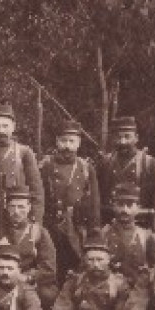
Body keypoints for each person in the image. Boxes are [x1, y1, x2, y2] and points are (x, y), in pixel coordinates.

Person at [48, 236, 130, 310]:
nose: (95, 264)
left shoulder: (120, 285)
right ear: (84, 261)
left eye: (100, 260)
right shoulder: (74, 281)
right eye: (91, 260)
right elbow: (63, 308)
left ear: (108, 260)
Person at [40, 119, 101, 278]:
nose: (67, 145)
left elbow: (94, 204)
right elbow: (39, 198)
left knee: (77, 268)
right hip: (52, 227)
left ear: (78, 143)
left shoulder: (86, 168)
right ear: (57, 142)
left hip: (77, 229)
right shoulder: (46, 166)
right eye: (63, 141)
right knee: (53, 268)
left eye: (71, 141)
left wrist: (94, 232)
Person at [97, 115, 155, 230]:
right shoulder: (105, 164)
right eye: (118, 137)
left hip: (142, 227)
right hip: (110, 228)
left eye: (127, 137)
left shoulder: (150, 165)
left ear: (136, 138)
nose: (122, 142)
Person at [0, 103, 46, 227]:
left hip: (16, 218)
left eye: (5, 126)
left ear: (13, 127)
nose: (1, 131)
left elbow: (36, 192)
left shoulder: (24, 153)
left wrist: (35, 222)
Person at [0, 189, 60, 310]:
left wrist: (27, 277)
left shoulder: (39, 232)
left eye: (21, 207)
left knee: (47, 295)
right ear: (6, 207)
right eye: (12, 206)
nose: (16, 211)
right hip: (2, 278)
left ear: (28, 207)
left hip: (29, 281)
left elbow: (49, 268)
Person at [98, 182, 155, 284]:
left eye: (130, 205)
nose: (125, 210)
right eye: (120, 204)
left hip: (138, 291)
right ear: (113, 206)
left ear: (138, 207)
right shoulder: (103, 235)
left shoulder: (146, 236)